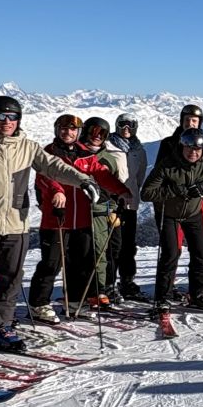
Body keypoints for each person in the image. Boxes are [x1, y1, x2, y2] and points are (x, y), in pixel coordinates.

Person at [0, 95, 123, 358]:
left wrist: (83, 180)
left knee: (11, 278)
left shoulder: (26, 147)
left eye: (12, 117)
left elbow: (53, 166)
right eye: (0, 116)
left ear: (19, 120)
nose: (6, 122)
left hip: (17, 223)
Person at [29, 114, 107, 322]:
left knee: (81, 262)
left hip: (82, 217)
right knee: (52, 263)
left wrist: (122, 191)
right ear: (57, 130)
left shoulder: (85, 154)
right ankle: (38, 304)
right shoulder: (48, 152)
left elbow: (101, 174)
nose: (68, 133)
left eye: (73, 129)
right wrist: (56, 190)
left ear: (78, 132)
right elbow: (44, 175)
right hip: (57, 217)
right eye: (63, 129)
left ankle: (74, 301)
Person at [141, 129, 203, 308]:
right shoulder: (168, 165)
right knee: (171, 254)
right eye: (189, 148)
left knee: (200, 254)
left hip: (193, 213)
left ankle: (198, 294)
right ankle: (163, 297)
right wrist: (174, 190)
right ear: (182, 147)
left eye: (198, 149)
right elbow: (147, 193)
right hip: (169, 215)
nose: (193, 152)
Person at [78, 117, 128, 306]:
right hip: (84, 210)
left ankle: (106, 286)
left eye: (102, 133)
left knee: (110, 250)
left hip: (106, 209)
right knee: (89, 251)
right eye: (93, 131)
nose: (97, 136)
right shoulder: (77, 155)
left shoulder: (109, 158)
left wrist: (116, 207)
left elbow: (115, 185)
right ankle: (90, 290)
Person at [110, 114, 150, 299]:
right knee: (113, 245)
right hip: (113, 203)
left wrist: (133, 191)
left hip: (131, 204)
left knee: (128, 245)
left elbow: (139, 176)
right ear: (116, 125)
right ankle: (108, 284)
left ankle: (127, 281)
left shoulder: (139, 150)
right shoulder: (108, 145)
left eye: (131, 125)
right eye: (122, 124)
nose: (126, 128)